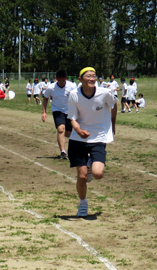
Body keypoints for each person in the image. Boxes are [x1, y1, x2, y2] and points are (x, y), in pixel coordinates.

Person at [67, 67, 117, 218]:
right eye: (88, 76)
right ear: (80, 79)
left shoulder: (104, 93)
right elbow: (72, 118)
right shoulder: (74, 94)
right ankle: (83, 203)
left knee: (98, 174)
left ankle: (90, 164)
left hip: (98, 137)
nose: (92, 78)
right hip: (78, 139)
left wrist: (113, 124)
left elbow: (114, 105)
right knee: (82, 177)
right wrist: (79, 130)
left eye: (94, 76)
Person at [42, 70, 77, 160]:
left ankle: (66, 142)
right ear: (56, 79)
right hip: (57, 110)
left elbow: (78, 98)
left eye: (63, 80)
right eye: (59, 80)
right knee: (61, 129)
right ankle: (63, 152)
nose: (61, 82)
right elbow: (45, 98)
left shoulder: (72, 86)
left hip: (70, 111)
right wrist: (44, 112)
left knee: (68, 134)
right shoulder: (51, 87)